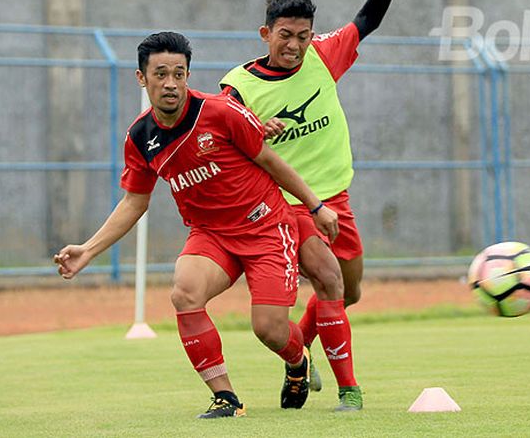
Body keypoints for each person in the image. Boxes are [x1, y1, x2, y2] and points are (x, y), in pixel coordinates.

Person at [54, 31, 341, 419]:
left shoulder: (221, 112)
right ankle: (226, 397)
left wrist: (316, 206)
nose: (170, 83)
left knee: (270, 330)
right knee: (184, 292)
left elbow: (272, 162)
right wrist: (88, 250)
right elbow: (134, 202)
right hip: (211, 235)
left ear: (188, 75)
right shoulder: (140, 137)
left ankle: (297, 359)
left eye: (179, 73)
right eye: (160, 74)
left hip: (265, 228)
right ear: (142, 78)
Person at [219, 0, 394, 412]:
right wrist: (255, 126)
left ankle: (299, 350)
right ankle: (349, 391)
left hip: (336, 199)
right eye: (285, 35)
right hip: (284, 207)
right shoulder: (238, 87)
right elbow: (221, 138)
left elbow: (367, 20)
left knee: (348, 293)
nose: (294, 45)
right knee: (329, 280)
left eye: (303, 35)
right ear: (266, 33)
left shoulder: (323, 55)